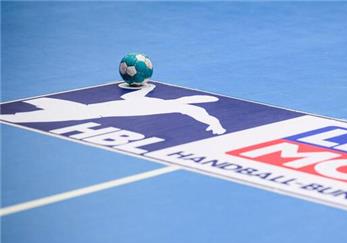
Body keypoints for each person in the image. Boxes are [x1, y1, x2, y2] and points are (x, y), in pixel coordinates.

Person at [0, 84, 227, 135]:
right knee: (36, 105)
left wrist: (215, 124)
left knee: (19, 116)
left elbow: (201, 114)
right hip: (84, 107)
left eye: (201, 99)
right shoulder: (149, 101)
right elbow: (133, 95)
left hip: (89, 114)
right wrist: (146, 86)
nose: (197, 99)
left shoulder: (183, 108)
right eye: (199, 96)